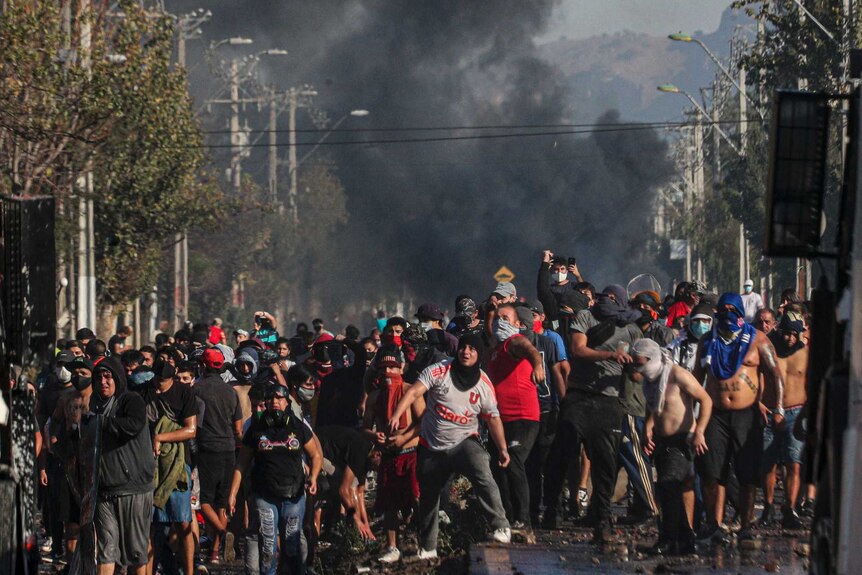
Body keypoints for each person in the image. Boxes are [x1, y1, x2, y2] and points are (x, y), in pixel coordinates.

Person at [388, 333, 512, 559]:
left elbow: (493, 418)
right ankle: (428, 548)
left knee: (482, 469)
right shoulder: (438, 370)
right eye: (463, 347)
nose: (466, 352)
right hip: (431, 446)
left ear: (479, 355)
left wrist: (502, 449)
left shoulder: (484, 384)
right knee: (428, 497)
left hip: (464, 442)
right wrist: (397, 413)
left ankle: (501, 526)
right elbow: (415, 391)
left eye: (472, 349)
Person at [542, 285, 643, 541]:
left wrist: (635, 366)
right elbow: (578, 349)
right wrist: (611, 355)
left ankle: (602, 518)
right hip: (579, 395)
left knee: (605, 462)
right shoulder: (586, 317)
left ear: (620, 302)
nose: (606, 301)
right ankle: (551, 510)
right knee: (561, 454)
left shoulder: (632, 330)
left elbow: (639, 369)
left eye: (612, 299)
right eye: (604, 297)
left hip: (609, 400)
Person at [693, 293, 785, 543]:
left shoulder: (758, 340)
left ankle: (745, 526)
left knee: (747, 473)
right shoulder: (707, 341)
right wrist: (692, 420)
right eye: (722, 310)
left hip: (747, 415)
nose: (727, 314)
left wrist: (778, 408)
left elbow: (775, 373)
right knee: (713, 473)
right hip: (715, 415)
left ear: (742, 313)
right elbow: (696, 379)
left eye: (732, 310)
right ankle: (715, 525)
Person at [228, 384, 322, 575]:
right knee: (268, 544)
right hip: (264, 494)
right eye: (270, 398)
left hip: (294, 494)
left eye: (279, 398)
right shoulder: (255, 428)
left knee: (292, 542)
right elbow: (241, 464)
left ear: (287, 402)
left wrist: (313, 477)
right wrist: (232, 494)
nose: (274, 402)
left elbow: (316, 455)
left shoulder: (298, 426)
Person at [634, 339, 713, 556]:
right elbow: (654, 406)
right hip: (662, 440)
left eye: (641, 363)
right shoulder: (651, 381)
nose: (639, 369)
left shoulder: (678, 375)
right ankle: (685, 539)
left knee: (669, 486)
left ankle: (668, 539)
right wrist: (647, 429)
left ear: (653, 359)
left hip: (681, 439)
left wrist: (699, 431)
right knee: (671, 490)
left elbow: (705, 400)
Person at [91, 356, 155, 575]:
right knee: (106, 550)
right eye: (98, 377)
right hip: (103, 490)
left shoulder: (130, 400)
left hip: (132, 488)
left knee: (135, 553)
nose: (103, 381)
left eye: (108, 376)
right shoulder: (94, 405)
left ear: (118, 378)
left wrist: (102, 423)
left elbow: (134, 425)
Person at [486, 304, 545, 530]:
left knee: (514, 461)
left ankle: (524, 519)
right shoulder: (493, 351)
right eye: (498, 318)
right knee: (498, 466)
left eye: (506, 318)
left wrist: (538, 365)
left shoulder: (515, 342)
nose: (501, 321)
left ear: (519, 325)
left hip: (523, 416)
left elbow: (529, 349)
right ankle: (507, 518)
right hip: (498, 420)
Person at [362, 346, 424, 563]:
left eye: (392, 367)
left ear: (401, 367)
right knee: (389, 504)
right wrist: (374, 437)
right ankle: (391, 547)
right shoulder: (375, 397)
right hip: (388, 455)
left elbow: (423, 422)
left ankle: (424, 542)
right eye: (384, 367)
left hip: (411, 452)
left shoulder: (411, 390)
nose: (388, 372)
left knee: (417, 497)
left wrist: (404, 438)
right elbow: (365, 427)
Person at [141, 360, 197, 575]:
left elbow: (191, 430)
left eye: (164, 381)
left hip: (179, 464)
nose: (160, 385)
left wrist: (161, 437)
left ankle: (189, 571)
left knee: (183, 523)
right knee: (151, 526)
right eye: (157, 380)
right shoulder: (145, 393)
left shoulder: (184, 393)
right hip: (151, 465)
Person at [195, 348, 243, 564]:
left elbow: (193, 422)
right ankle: (215, 554)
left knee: (204, 501)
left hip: (207, 450)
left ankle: (223, 533)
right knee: (221, 504)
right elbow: (238, 428)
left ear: (203, 367)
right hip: (229, 450)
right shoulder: (231, 392)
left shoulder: (197, 390)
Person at [761, 312, 808, 529]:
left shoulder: (806, 355)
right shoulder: (771, 351)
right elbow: (760, 377)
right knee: (768, 464)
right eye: (786, 333)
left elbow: (812, 385)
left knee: (794, 464)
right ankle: (768, 509)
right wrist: (759, 403)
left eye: (793, 334)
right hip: (770, 412)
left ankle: (789, 509)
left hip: (796, 412)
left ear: (800, 334)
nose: (789, 338)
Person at [668, 303, 714, 372]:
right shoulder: (681, 345)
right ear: (690, 323)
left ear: (711, 322)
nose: (700, 324)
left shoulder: (716, 346)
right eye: (696, 320)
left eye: (705, 321)